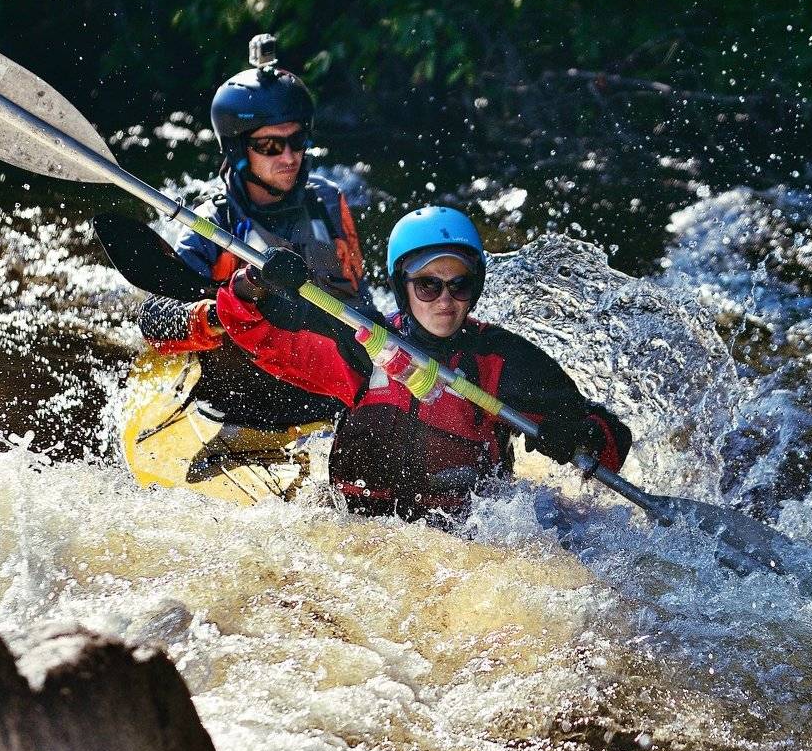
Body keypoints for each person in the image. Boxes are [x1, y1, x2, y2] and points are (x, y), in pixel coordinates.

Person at [212, 205, 633, 521]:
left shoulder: (504, 361)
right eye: (428, 286)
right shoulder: (362, 342)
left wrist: (579, 435)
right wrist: (255, 283)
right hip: (356, 528)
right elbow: (252, 330)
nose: (445, 300)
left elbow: (611, 438)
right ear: (401, 287)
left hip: (469, 535)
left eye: (459, 285)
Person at [125, 36, 374, 503]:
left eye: (297, 140)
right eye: (270, 145)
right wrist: (226, 310)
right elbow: (155, 319)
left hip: (322, 390)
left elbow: (360, 303)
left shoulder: (326, 201)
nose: (289, 156)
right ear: (239, 149)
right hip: (242, 399)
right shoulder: (210, 225)